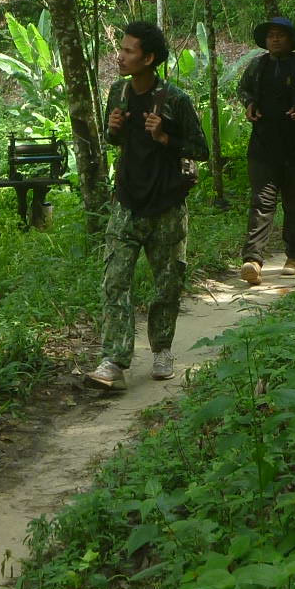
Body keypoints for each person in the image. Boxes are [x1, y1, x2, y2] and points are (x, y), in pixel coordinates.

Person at [87, 21, 209, 391]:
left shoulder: (175, 99)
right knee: (115, 281)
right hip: (127, 202)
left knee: (167, 285)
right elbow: (114, 140)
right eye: (121, 49)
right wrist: (113, 129)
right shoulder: (118, 91)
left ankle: (162, 350)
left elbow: (200, 149)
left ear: (149, 58)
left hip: (167, 205)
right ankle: (114, 360)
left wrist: (164, 136)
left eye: (129, 51)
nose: (120, 56)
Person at [234, 13, 295, 283]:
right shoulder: (257, 66)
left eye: (280, 35)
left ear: (291, 39)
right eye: (271, 36)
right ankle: (253, 259)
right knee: (261, 203)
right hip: (263, 146)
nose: (275, 40)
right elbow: (242, 90)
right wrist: (249, 104)